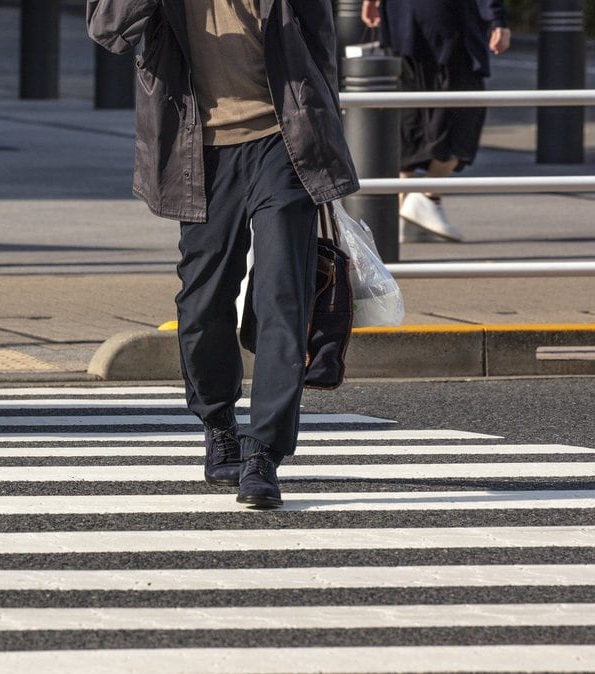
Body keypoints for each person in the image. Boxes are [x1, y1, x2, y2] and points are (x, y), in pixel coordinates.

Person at [87, 0, 359, 508]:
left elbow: (321, 47)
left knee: (285, 297)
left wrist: (325, 143)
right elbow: (108, 27)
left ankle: (264, 453)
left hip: (284, 139)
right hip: (198, 149)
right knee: (202, 302)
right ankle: (218, 423)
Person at [362, 0, 511, 242]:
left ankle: (403, 213)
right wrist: (496, 19)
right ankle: (427, 196)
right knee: (464, 112)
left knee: (409, 113)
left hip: (402, 19)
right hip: (450, 23)